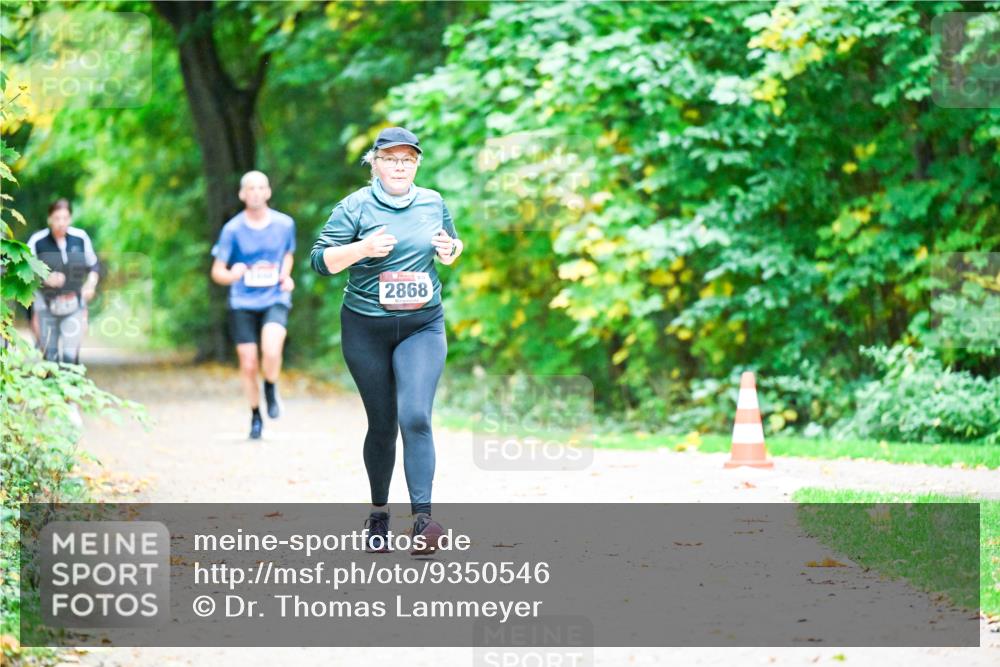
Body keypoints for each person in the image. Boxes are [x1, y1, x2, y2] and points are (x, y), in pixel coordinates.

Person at [311, 127, 463, 555]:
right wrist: (362, 249)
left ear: (417, 164)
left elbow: (451, 245)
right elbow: (320, 261)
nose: (399, 166)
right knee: (382, 425)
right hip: (366, 329)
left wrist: (451, 250)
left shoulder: (433, 202)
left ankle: (423, 522)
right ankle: (379, 514)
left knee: (415, 416)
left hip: (422, 325)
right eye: (391, 159)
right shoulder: (354, 206)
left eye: (407, 160)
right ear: (375, 163)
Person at [210, 171, 296, 440]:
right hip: (243, 301)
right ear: (242, 194)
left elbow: (288, 255)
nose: (256, 193)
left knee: (271, 349)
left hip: (274, 298)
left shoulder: (285, 224)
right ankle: (256, 415)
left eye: (261, 188)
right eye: (251, 188)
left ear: (268, 192)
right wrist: (232, 274)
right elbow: (217, 272)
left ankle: (270, 385)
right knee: (248, 363)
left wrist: (285, 276)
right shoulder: (232, 229)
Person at [27, 199, 100, 364]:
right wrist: (44, 278)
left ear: (70, 219)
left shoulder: (80, 238)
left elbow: (94, 265)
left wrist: (91, 284)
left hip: (74, 304)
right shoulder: (37, 241)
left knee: (70, 357)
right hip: (46, 306)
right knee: (49, 357)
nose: (61, 223)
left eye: (65, 218)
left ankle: (71, 378)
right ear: (49, 219)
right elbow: (24, 271)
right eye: (57, 218)